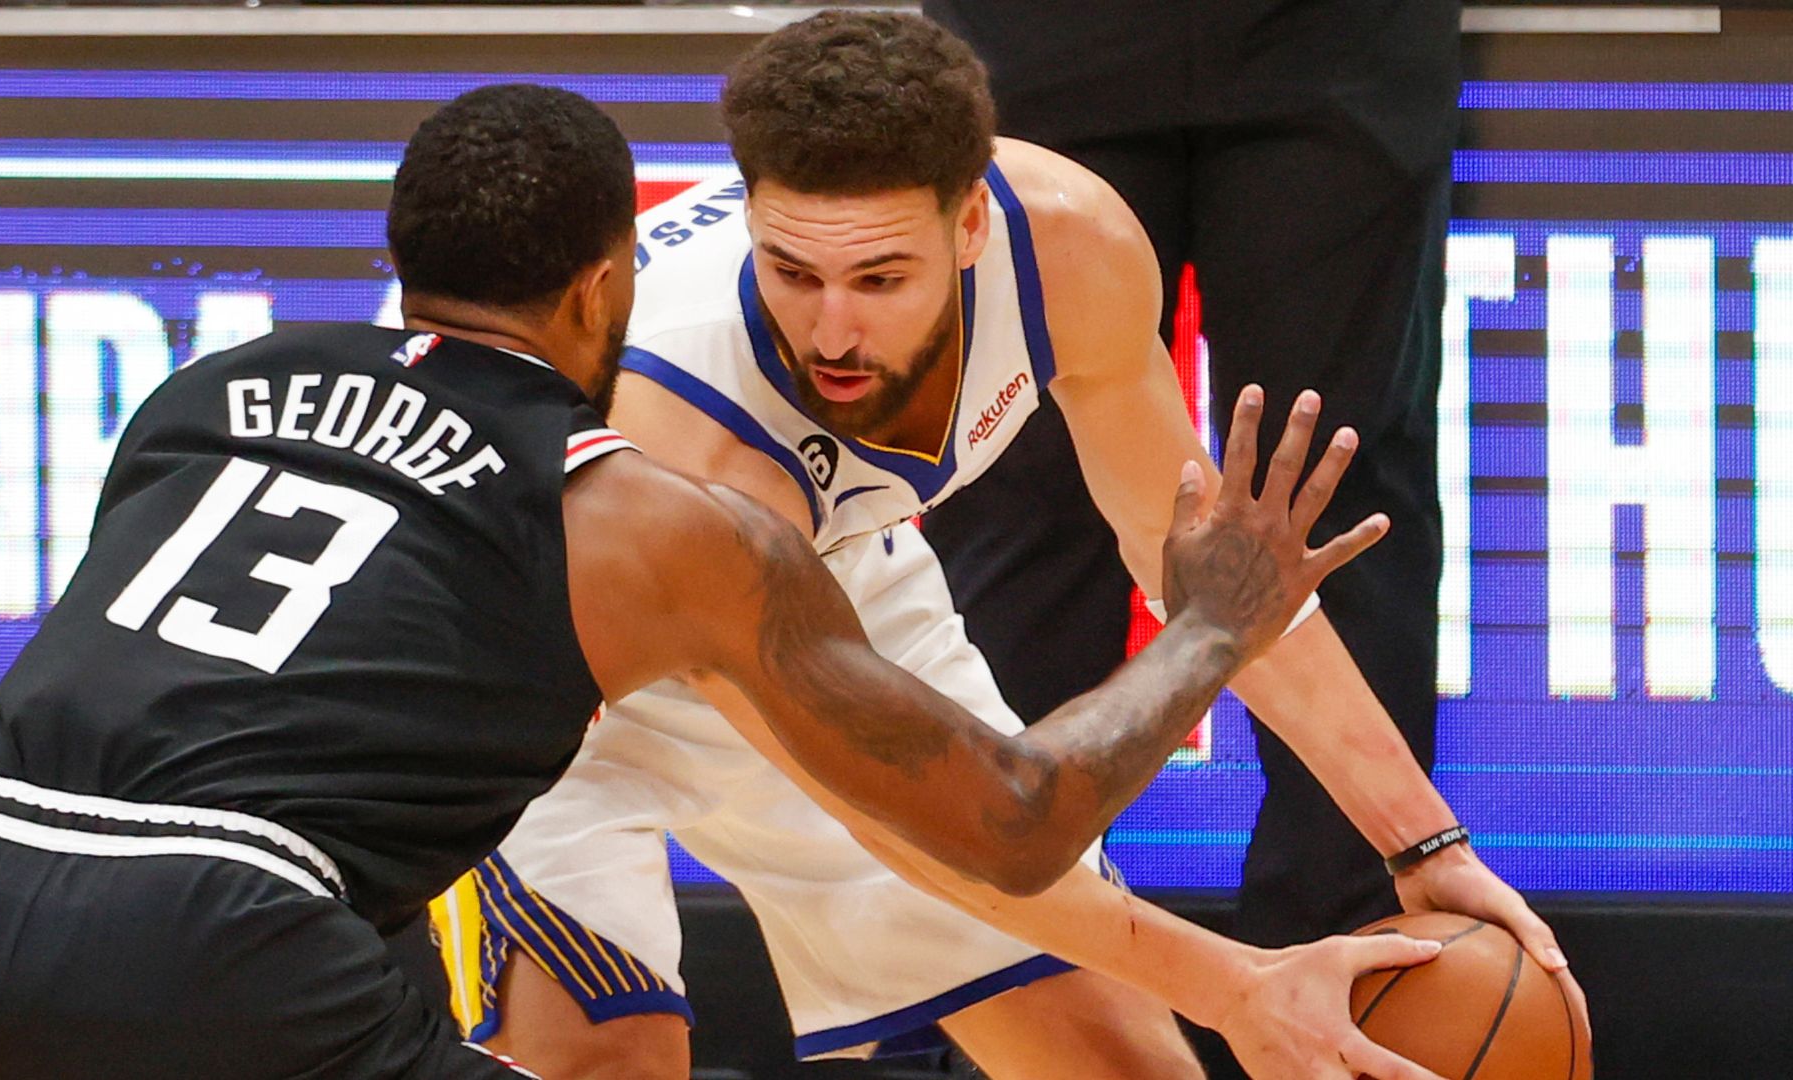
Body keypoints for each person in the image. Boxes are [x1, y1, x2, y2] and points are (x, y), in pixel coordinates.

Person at [0, 83, 1396, 1080]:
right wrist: (1208, 629)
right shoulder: (646, 501)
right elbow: (1001, 819)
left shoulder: (204, 390)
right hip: (232, 935)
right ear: (613, 278)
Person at [450, 13, 1580, 1080]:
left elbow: (1209, 579)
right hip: (554, 686)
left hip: (838, 592)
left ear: (973, 223)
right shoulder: (687, 436)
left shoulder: (1068, 242)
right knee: (610, 1056)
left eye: (882, 278)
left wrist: (1424, 845)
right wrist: (1239, 987)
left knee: (1120, 1059)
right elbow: (921, 822)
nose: (834, 328)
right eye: (793, 273)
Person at [922, 0, 1460, 955]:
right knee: (1016, 475)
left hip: (1333, 41)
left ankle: (1352, 961)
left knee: (1330, 490)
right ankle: (1007, 959)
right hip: (1037, 39)